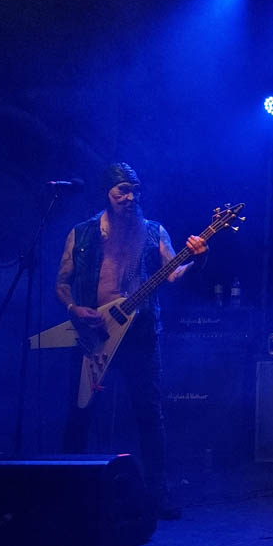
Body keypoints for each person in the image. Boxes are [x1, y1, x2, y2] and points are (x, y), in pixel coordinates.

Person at [54, 162, 207, 520]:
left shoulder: (153, 232)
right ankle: (68, 493)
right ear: (107, 194)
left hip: (140, 335)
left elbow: (174, 273)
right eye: (122, 190)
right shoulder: (82, 233)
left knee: (149, 414)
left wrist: (199, 261)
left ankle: (157, 494)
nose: (130, 197)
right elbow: (61, 283)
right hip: (94, 332)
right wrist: (74, 308)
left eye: (135, 190)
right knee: (80, 413)